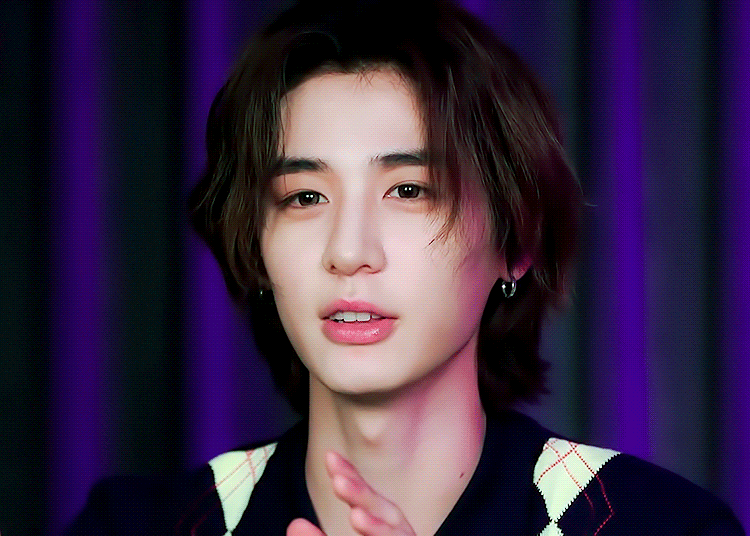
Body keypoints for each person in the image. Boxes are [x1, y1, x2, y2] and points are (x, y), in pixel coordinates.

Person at [67, 0, 745, 534]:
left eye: (410, 190)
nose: (348, 251)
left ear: (515, 242)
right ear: (257, 250)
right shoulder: (140, 524)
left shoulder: (658, 524)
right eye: (305, 197)